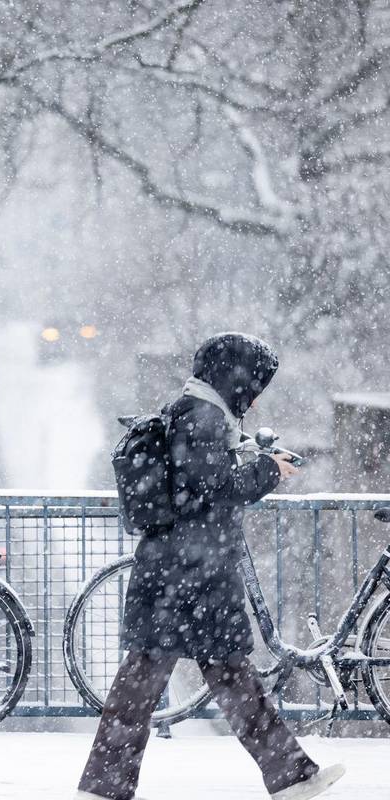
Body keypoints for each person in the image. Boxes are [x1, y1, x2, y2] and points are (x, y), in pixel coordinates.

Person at [76, 333, 345, 800]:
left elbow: (202, 480)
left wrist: (251, 459)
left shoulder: (195, 411)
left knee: (201, 677)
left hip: (182, 571)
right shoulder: (202, 417)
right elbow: (214, 487)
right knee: (179, 678)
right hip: (190, 575)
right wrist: (269, 471)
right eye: (254, 384)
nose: (256, 396)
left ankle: (291, 776)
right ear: (234, 376)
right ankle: (289, 776)